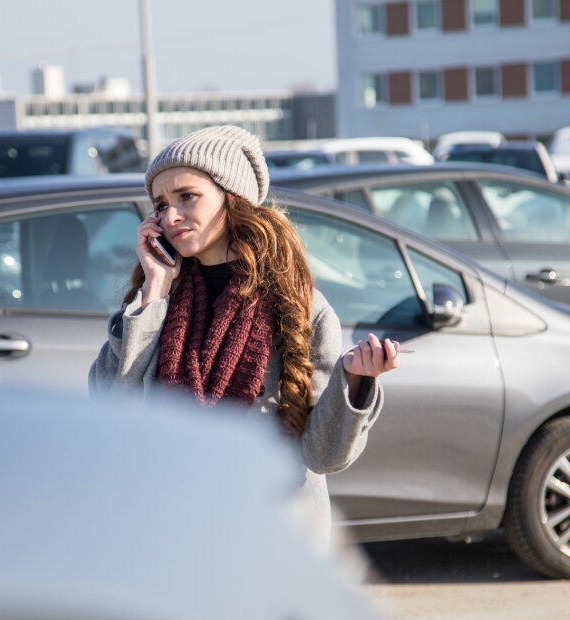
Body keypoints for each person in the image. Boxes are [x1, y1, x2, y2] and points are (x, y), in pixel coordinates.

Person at [89, 125, 399, 545]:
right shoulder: (156, 302)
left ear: (231, 197)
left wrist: (357, 382)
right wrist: (153, 289)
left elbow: (323, 456)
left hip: (272, 537)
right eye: (160, 205)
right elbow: (110, 406)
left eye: (187, 196)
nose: (170, 216)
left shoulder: (298, 306)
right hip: (172, 531)